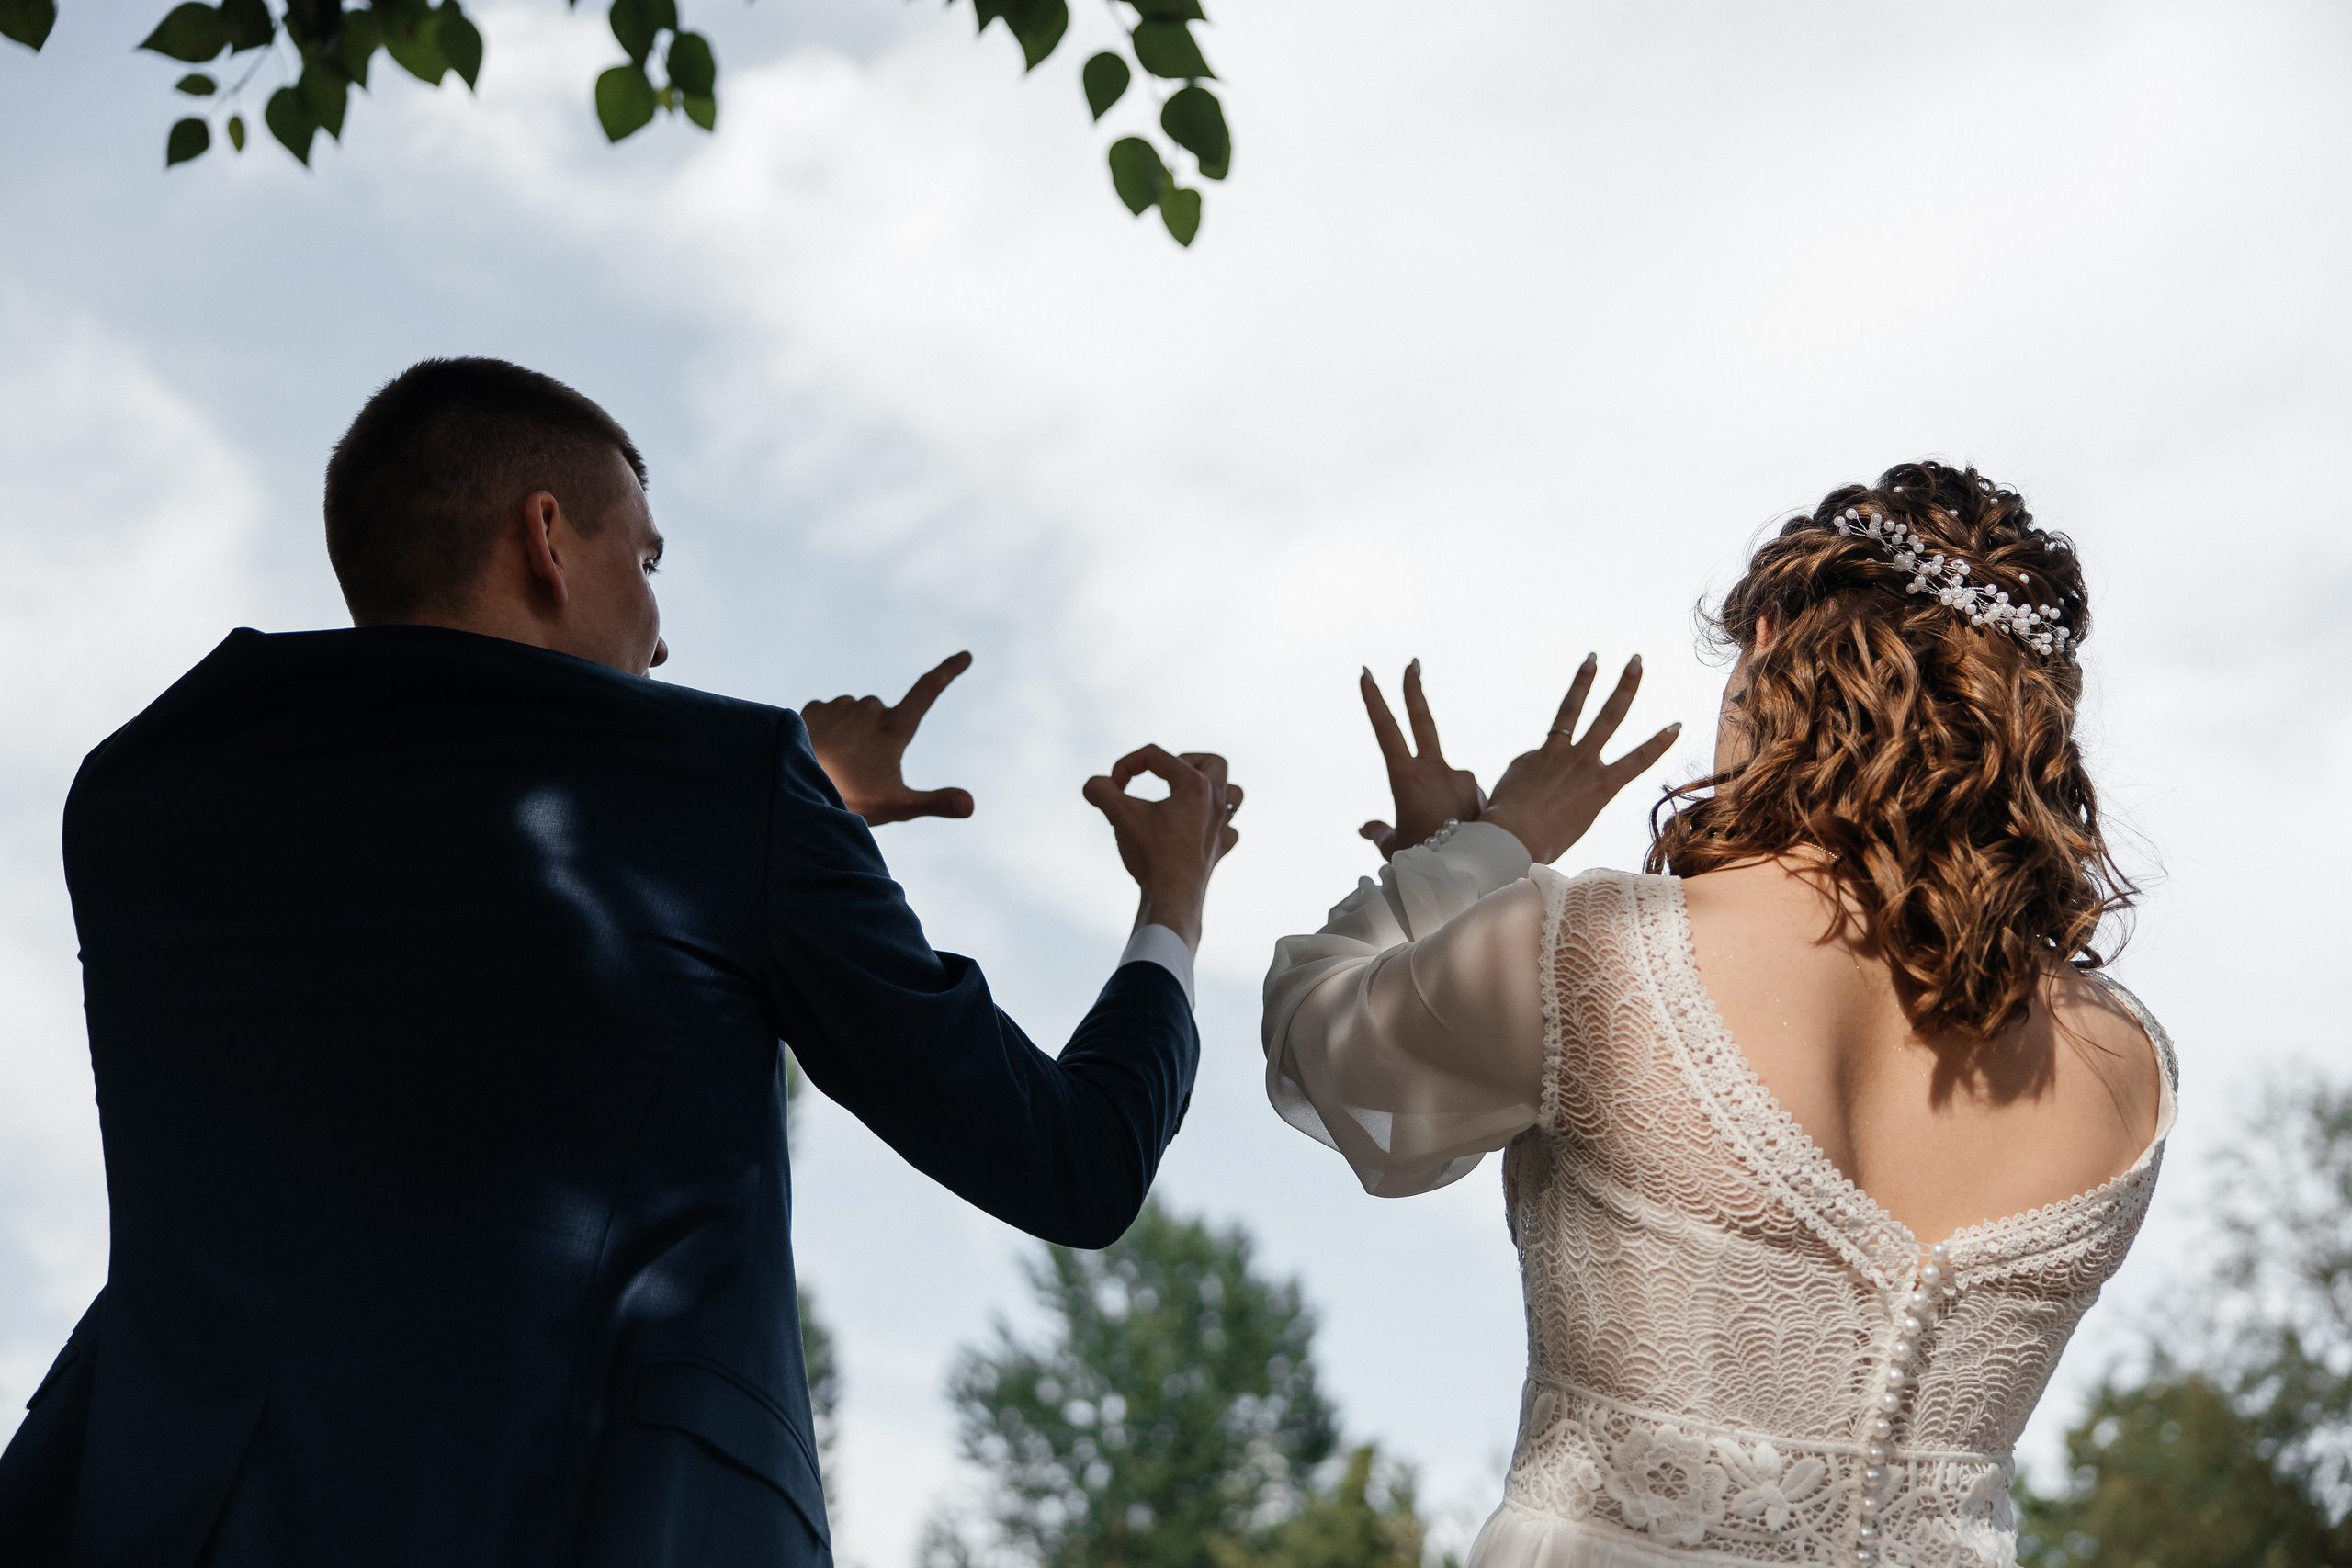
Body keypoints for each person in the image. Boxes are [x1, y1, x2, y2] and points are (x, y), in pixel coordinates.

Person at [0, 357, 1240, 1568]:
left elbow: (450, 965)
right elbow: (1076, 1161)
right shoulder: (731, 787)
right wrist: (1171, 895)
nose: (660, 631)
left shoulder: (142, 790)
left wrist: (776, 825)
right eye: (643, 560)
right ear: (546, 536)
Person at [1263, 462, 2172, 1567]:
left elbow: (1325, 1057)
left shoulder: (1596, 951)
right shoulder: (2126, 1062)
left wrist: (1469, 854)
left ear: (1771, 639)